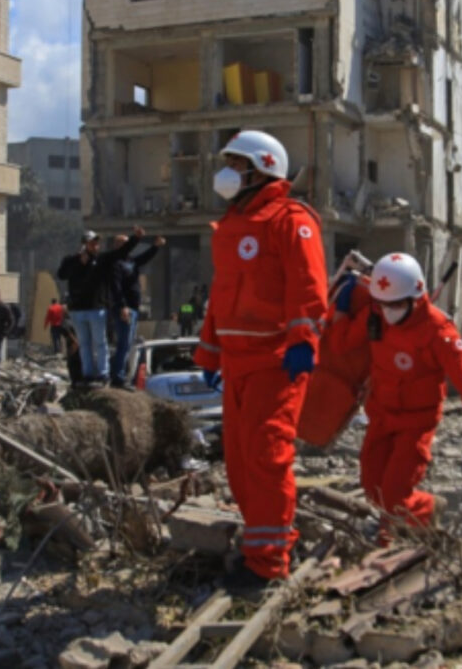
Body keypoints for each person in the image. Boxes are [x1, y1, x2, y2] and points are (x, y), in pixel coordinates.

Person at [192, 130, 327, 589]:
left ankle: (269, 564)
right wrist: (208, 353)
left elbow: (308, 286)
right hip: (237, 364)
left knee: (267, 458)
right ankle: (260, 544)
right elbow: (220, 296)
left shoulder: (291, 220)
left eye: (235, 163)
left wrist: (303, 340)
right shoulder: (232, 225)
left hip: (275, 361)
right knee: (240, 461)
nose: (226, 172)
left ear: (262, 168)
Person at [330, 253, 462, 542]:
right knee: (372, 487)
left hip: (416, 421)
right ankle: (405, 520)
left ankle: (419, 515)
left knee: (394, 492)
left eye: (396, 304)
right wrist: (340, 310)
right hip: (381, 414)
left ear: (415, 296)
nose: (389, 311)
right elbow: (341, 344)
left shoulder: (437, 330)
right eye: (384, 304)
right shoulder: (376, 316)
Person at [57, 228, 142, 386]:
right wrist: (77, 263)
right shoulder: (71, 260)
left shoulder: (102, 260)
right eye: (92, 243)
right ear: (84, 244)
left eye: (97, 243)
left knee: (100, 342)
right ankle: (88, 374)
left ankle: (103, 375)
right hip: (77, 309)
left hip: (97, 308)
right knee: (84, 343)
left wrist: (135, 239)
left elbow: (120, 252)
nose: (96, 246)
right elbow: (61, 274)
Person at [109, 234, 166, 389]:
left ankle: (124, 376)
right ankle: (118, 377)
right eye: (121, 244)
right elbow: (116, 288)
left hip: (133, 309)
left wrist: (156, 246)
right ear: (116, 246)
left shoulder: (131, 261)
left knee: (128, 345)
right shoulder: (115, 263)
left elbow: (144, 258)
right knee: (123, 344)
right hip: (124, 309)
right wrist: (122, 306)